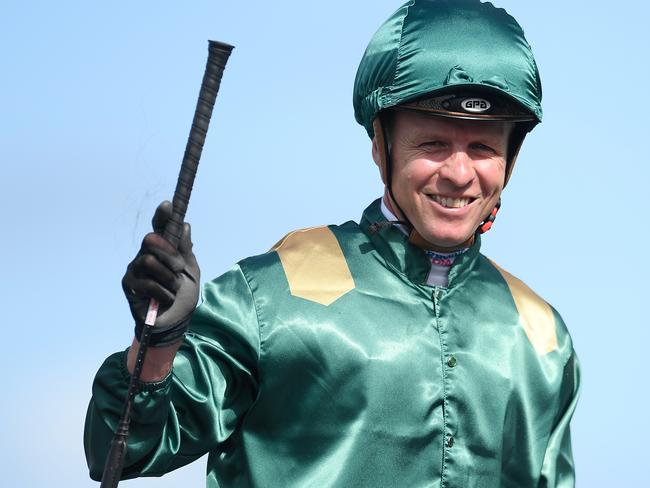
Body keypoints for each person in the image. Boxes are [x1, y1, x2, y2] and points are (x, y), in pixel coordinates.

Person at [85, 1, 580, 486]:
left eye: (483, 148)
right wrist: (159, 342)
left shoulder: (542, 337)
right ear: (380, 145)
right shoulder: (270, 296)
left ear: (510, 160)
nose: (458, 173)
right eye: (432, 144)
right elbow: (120, 449)